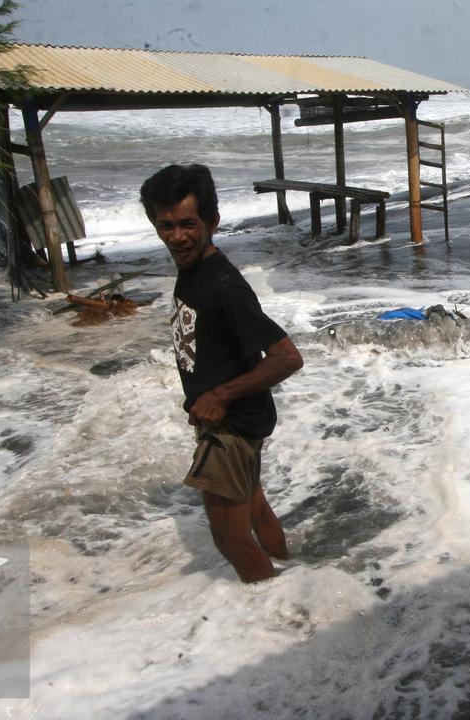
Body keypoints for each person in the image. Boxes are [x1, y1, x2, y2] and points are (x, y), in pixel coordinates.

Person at [140, 164, 304, 583]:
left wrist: (219, 397)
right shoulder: (193, 272)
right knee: (255, 507)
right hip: (236, 422)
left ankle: (275, 612)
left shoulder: (221, 285)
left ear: (212, 221)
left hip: (230, 428)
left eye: (189, 224)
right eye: (166, 225)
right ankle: (296, 581)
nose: (177, 236)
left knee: (229, 539)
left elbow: (287, 357)